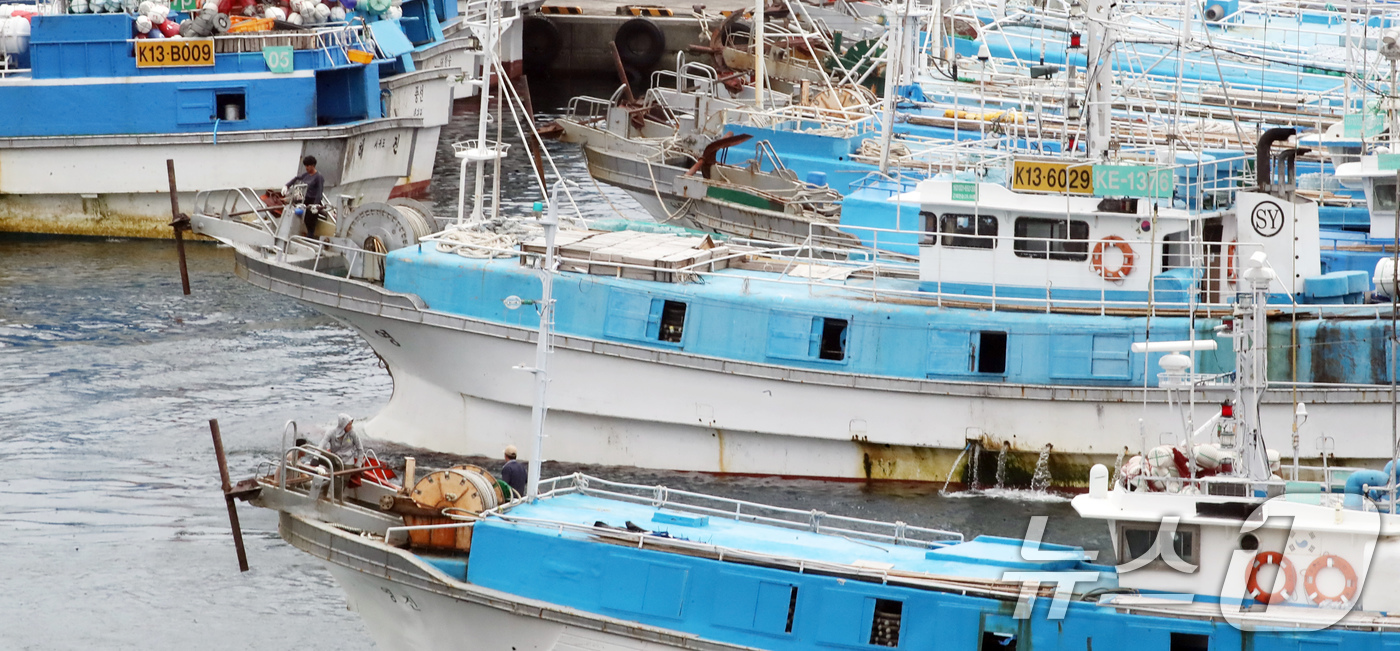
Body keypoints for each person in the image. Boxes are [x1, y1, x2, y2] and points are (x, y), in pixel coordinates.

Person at [285, 155, 325, 237]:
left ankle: (310, 238)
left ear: (313, 166)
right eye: (305, 166)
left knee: (310, 223)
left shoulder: (318, 177)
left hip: (313, 202)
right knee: (302, 219)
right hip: (304, 201)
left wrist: (316, 205)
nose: (306, 168)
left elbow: (319, 192)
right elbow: (296, 178)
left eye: (308, 166)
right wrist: (287, 186)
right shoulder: (306, 175)